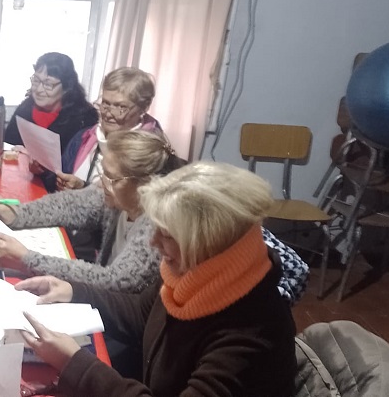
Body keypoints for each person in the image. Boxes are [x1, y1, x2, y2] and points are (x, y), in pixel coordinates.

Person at [18, 162, 298, 396]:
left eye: (166, 235)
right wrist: (73, 291)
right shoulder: (196, 274)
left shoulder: (252, 332)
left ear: (208, 243)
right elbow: (143, 312)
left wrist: (76, 364)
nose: (153, 242)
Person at [0, 130, 182, 292]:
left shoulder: (156, 228)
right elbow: (70, 205)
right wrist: (16, 213)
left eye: (112, 178)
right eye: (103, 172)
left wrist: (27, 259)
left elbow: (113, 281)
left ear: (144, 185)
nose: (102, 182)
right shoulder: (118, 198)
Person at [55, 67, 164, 191]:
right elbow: (59, 174)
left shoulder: (152, 154)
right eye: (105, 103)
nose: (108, 114)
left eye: (121, 107)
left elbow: (136, 200)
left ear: (144, 108)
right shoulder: (84, 137)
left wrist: (83, 188)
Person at [2, 52, 98, 155]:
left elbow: (79, 161)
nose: (39, 90)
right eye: (36, 80)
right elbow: (8, 146)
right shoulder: (25, 109)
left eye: (48, 84)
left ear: (66, 88)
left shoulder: (83, 119)